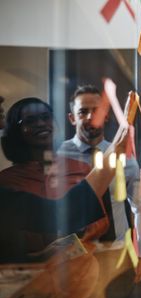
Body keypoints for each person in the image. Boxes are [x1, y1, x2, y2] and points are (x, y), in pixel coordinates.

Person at [0, 106, 128, 262]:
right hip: (30, 276)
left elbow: (104, 225)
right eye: (30, 121)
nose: (40, 124)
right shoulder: (6, 181)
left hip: (87, 266)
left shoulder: (80, 168)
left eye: (46, 117)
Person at [58, 85, 141, 283]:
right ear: (72, 118)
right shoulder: (58, 158)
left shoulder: (125, 158)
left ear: (106, 116)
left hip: (115, 258)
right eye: (83, 111)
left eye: (97, 111)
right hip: (70, 261)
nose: (91, 116)